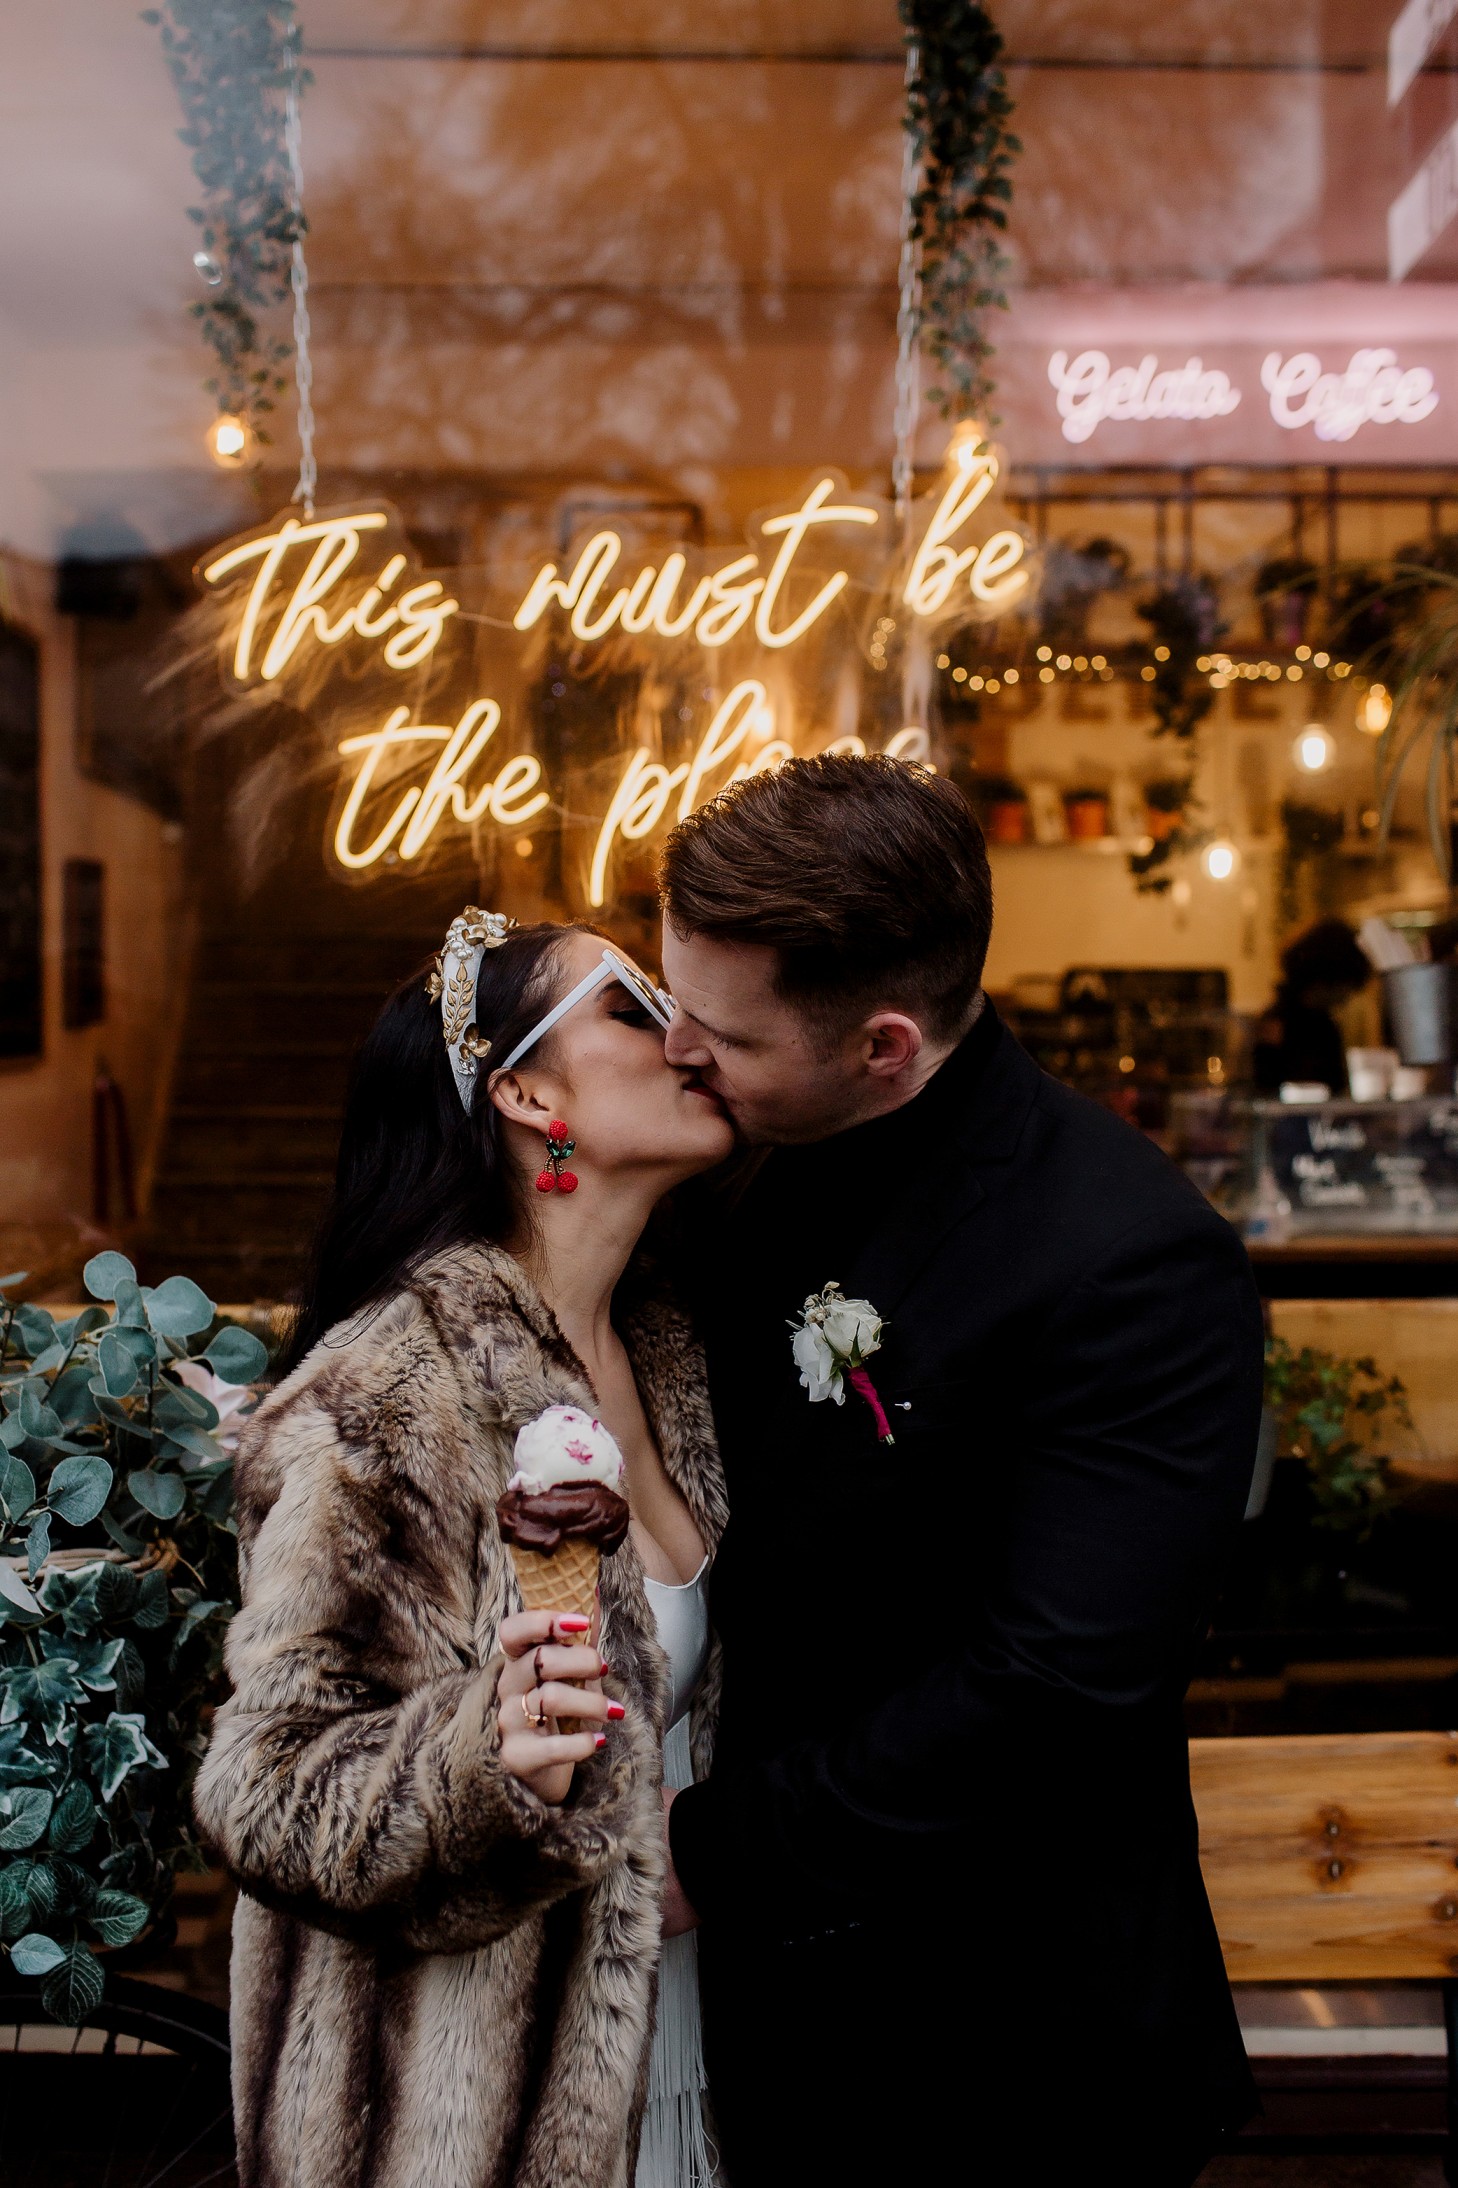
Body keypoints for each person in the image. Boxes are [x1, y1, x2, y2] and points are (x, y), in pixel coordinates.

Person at [655, 754, 1265, 2188]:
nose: (678, 1050)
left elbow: (1055, 1683)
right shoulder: (724, 1158)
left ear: (882, 1045)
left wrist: (711, 1851)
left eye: (723, 1035)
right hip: (754, 2022)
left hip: (1000, 2043)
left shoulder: (1128, 1259)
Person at [194, 912, 735, 2188]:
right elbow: (263, 1787)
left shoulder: (677, 1362)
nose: (688, 1036)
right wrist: (476, 1756)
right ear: (524, 1090)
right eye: (632, 1009)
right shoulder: (384, 1396)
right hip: (459, 2111)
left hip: (684, 2056)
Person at [1252, 917, 1372, 1096]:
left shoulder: (1318, 1022)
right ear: (1328, 978)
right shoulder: (1284, 1023)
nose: (1348, 996)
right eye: (1347, 985)